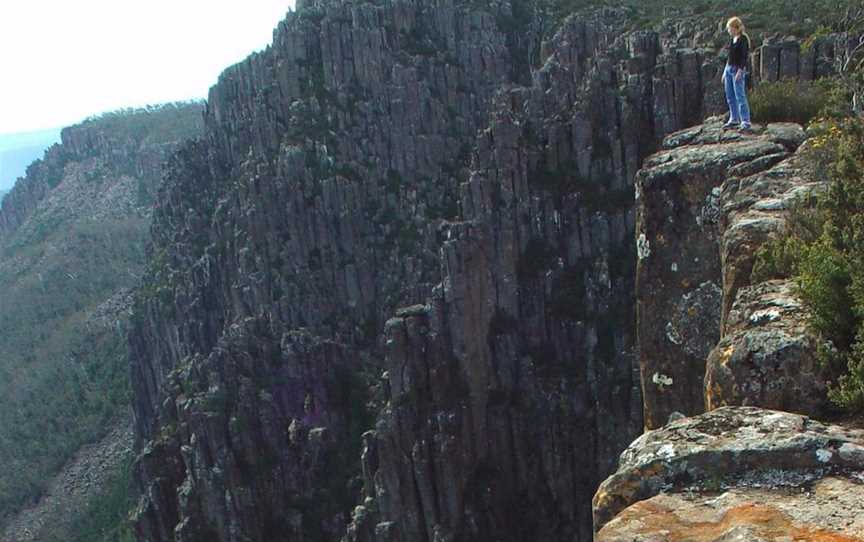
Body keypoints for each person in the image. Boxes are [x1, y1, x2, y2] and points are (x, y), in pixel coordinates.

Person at [722, 16, 752, 131]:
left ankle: (745, 121)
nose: (729, 31)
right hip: (729, 68)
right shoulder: (732, 39)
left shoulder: (743, 39)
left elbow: (744, 57)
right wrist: (725, 72)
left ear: (735, 28)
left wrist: (740, 71)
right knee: (730, 95)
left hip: (737, 70)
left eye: (729, 28)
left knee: (740, 96)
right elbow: (730, 56)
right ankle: (734, 118)